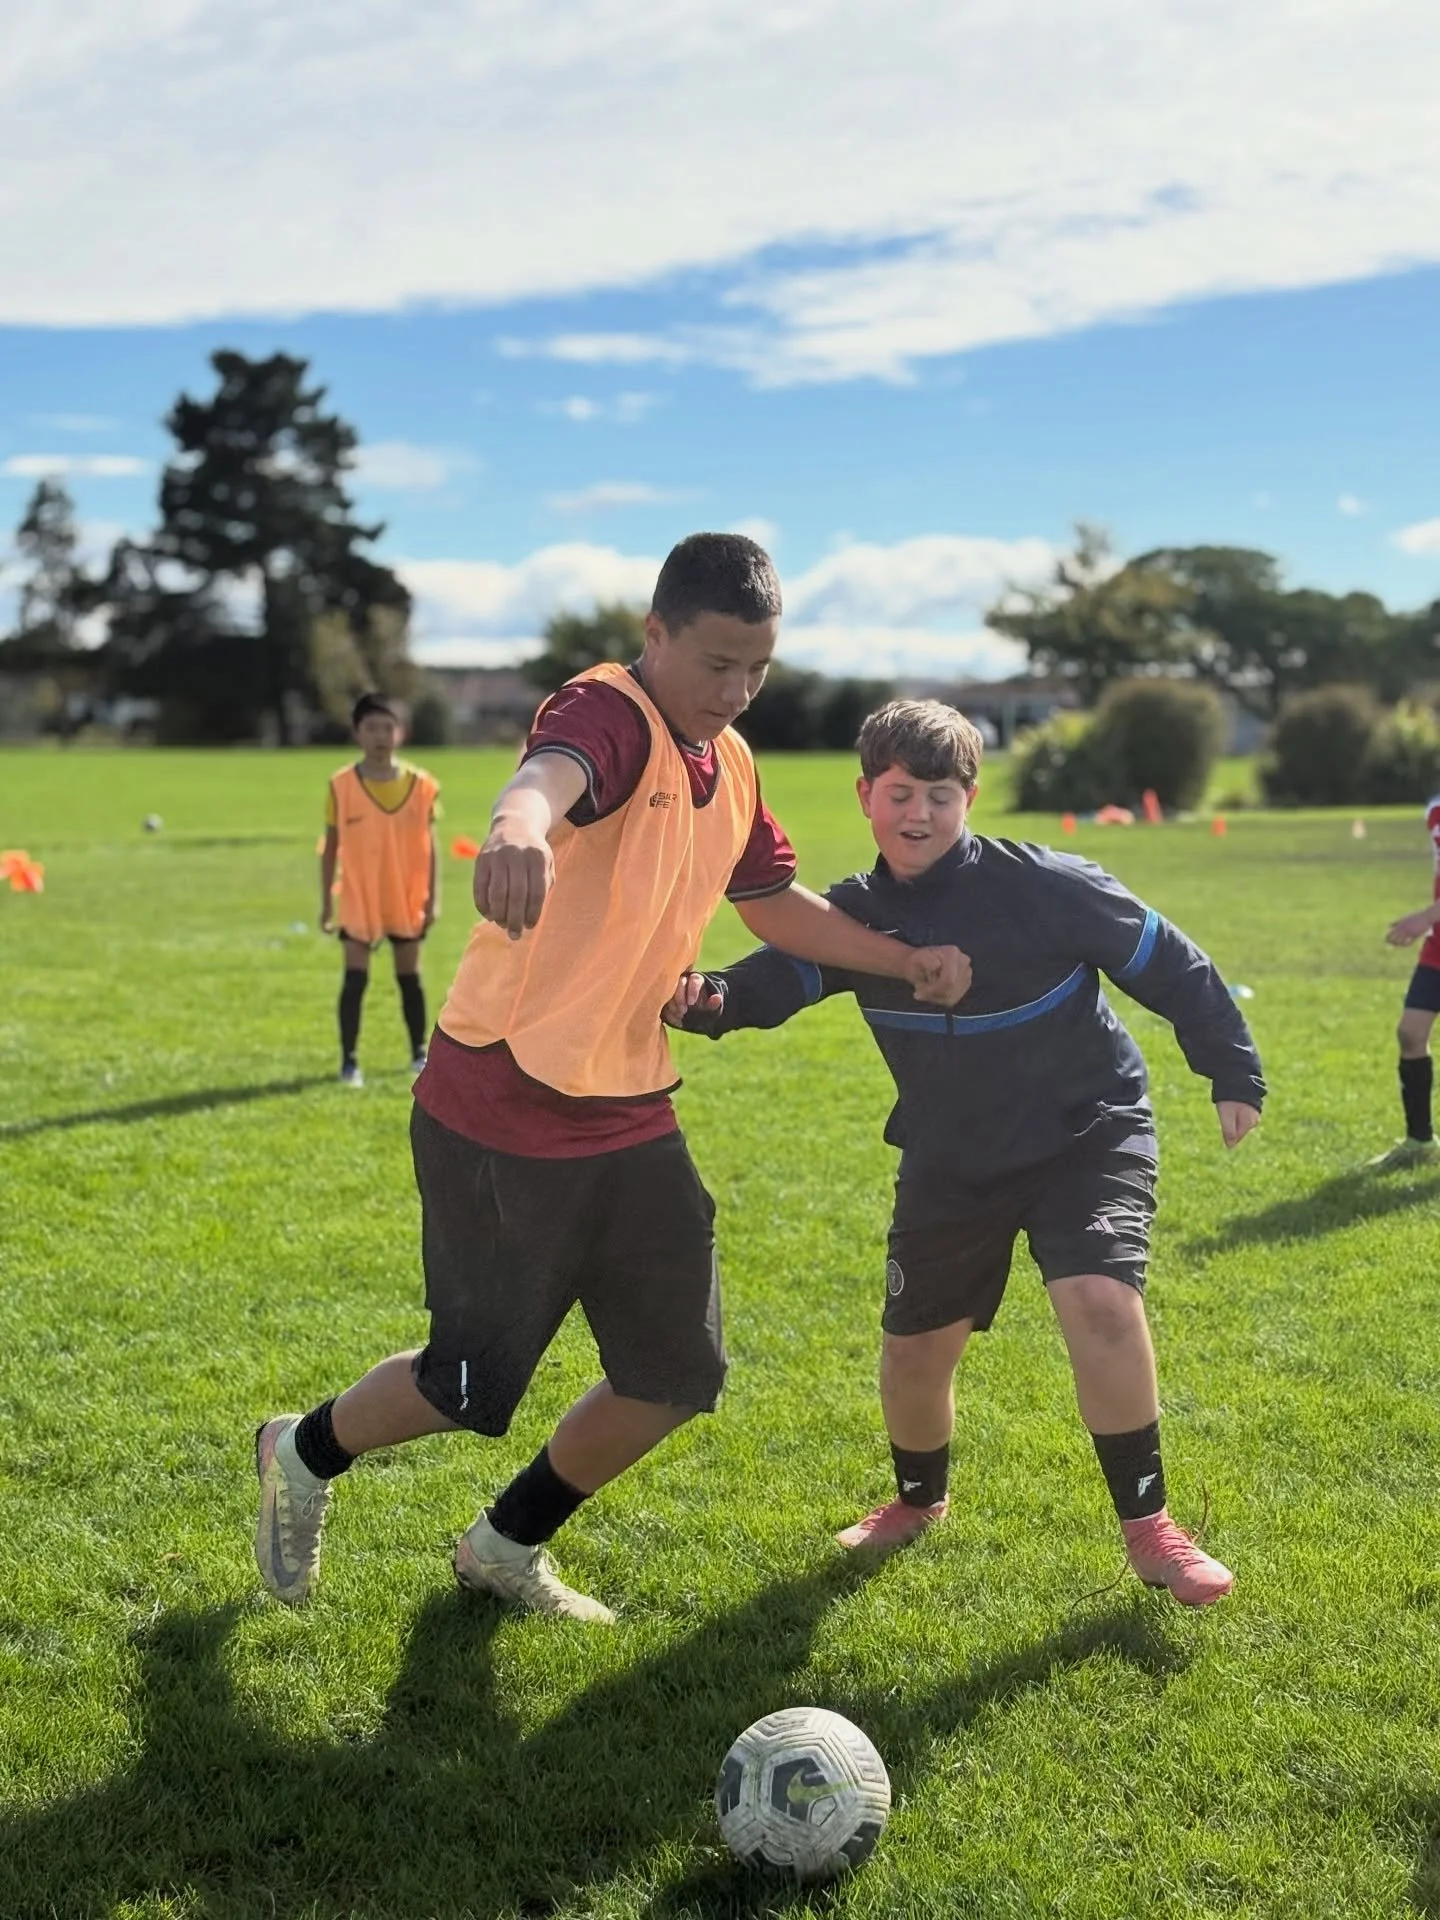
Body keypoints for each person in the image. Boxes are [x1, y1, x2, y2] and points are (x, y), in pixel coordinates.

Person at [255, 536, 969, 1621]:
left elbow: (773, 905)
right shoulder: (608, 712)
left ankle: (502, 1545)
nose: (734, 693)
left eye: (757, 671)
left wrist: (902, 960)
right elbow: (548, 778)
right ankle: (300, 1453)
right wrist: (513, 830)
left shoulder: (728, 764)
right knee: (467, 1385)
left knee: (675, 1373)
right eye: (717, 664)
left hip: (629, 1106)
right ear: (656, 634)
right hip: (500, 1101)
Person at [670, 698, 1265, 1607]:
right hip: (952, 1158)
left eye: (940, 796)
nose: (920, 815)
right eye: (901, 793)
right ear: (866, 794)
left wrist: (1230, 1067)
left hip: (1087, 1129)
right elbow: (774, 980)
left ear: (970, 798)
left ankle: (1151, 1530)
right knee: (915, 1357)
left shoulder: (1048, 885)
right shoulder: (856, 919)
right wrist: (701, 999)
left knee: (1102, 1302)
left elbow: (1168, 961)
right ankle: (918, 1502)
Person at [319, 693, 439, 1087]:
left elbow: (431, 843)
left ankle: (419, 1054)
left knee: (410, 977)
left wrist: (432, 897)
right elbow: (330, 846)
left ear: (400, 733)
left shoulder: (421, 786)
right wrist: (325, 903)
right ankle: (349, 1062)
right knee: (355, 979)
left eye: (388, 727)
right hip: (358, 895)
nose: (380, 736)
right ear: (357, 732)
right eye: (371, 727)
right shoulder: (341, 786)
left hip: (405, 893)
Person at [1370, 791, 1440, 1170]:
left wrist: (1425, 917)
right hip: (1438, 947)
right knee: (1411, 1034)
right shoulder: (1435, 811)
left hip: (1433, 926)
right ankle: (1420, 1140)